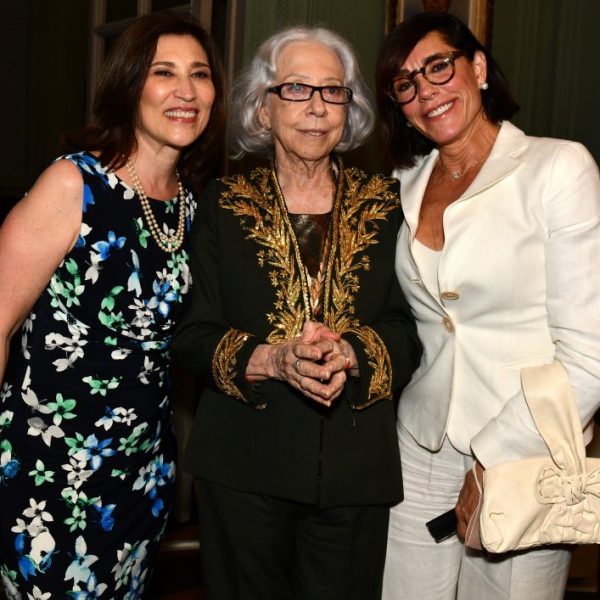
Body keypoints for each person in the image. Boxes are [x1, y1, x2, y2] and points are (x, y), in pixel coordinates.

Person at [172, 25, 422, 600]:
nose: (316, 108)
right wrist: (274, 359)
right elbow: (190, 335)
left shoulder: (388, 205)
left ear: (349, 109)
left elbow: (412, 327)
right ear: (263, 108)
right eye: (296, 90)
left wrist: (353, 352)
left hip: (357, 469)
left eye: (332, 92)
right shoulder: (222, 204)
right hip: (243, 467)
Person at [375, 11, 600, 600]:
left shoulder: (557, 168)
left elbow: (589, 357)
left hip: (523, 447)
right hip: (421, 441)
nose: (426, 90)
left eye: (438, 67)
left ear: (477, 68)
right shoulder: (405, 183)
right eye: (406, 83)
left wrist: (491, 454)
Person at [0, 12, 225, 598]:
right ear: (131, 86)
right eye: (164, 73)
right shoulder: (74, 185)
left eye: (200, 75)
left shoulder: (191, 206)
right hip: (48, 473)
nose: (185, 91)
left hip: (140, 476)